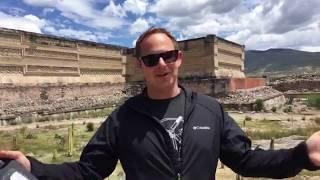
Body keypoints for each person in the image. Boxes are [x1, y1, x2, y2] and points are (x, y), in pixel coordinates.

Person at [1, 27, 320, 180]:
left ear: (180, 58)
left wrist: (302, 155)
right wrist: (35, 167)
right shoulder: (123, 119)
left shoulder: (210, 109)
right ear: (140, 64)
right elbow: (89, 171)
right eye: (152, 58)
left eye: (169, 55)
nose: (162, 64)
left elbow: (246, 160)